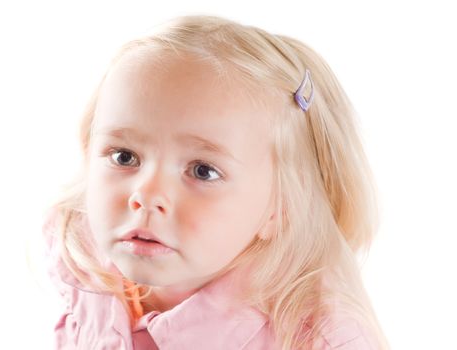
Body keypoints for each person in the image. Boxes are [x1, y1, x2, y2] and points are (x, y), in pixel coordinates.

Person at [42, 14, 389, 349]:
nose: (146, 195)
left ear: (280, 207)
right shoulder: (84, 271)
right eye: (124, 156)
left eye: (202, 170)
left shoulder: (316, 339)